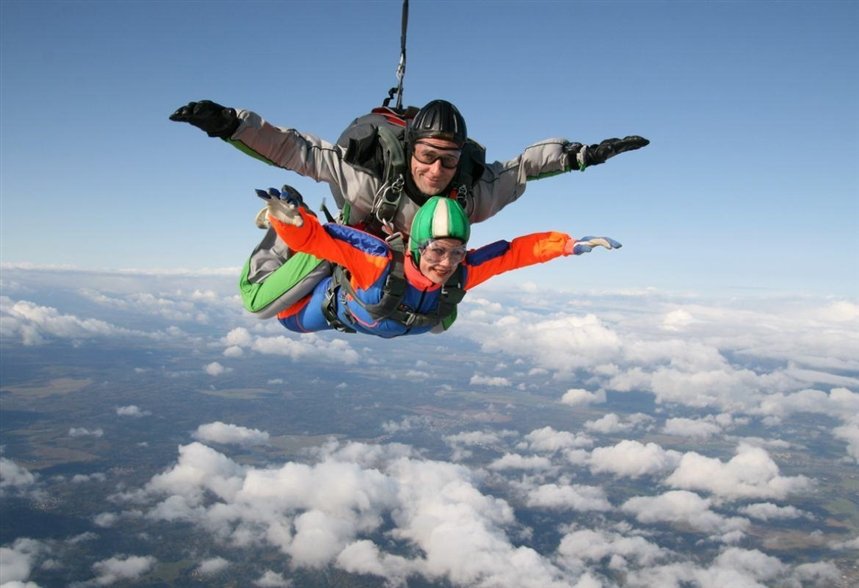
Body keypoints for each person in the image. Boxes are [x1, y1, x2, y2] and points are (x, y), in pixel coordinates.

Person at [169, 99, 646, 317]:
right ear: (411, 149)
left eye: (449, 161)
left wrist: (584, 156)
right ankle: (285, 222)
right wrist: (232, 125)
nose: (437, 170)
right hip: (348, 250)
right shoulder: (368, 177)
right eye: (428, 156)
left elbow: (522, 169)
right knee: (261, 303)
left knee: (440, 311)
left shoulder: (472, 195)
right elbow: (299, 150)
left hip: (401, 274)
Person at [255, 187, 621, 338]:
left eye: (456, 252)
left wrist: (566, 244)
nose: (446, 262)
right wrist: (292, 223)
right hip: (327, 307)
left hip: (394, 317)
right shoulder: (377, 261)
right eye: (436, 251)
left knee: (445, 312)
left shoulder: (462, 272)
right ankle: (278, 226)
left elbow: (514, 253)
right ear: (416, 247)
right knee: (283, 314)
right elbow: (322, 239)